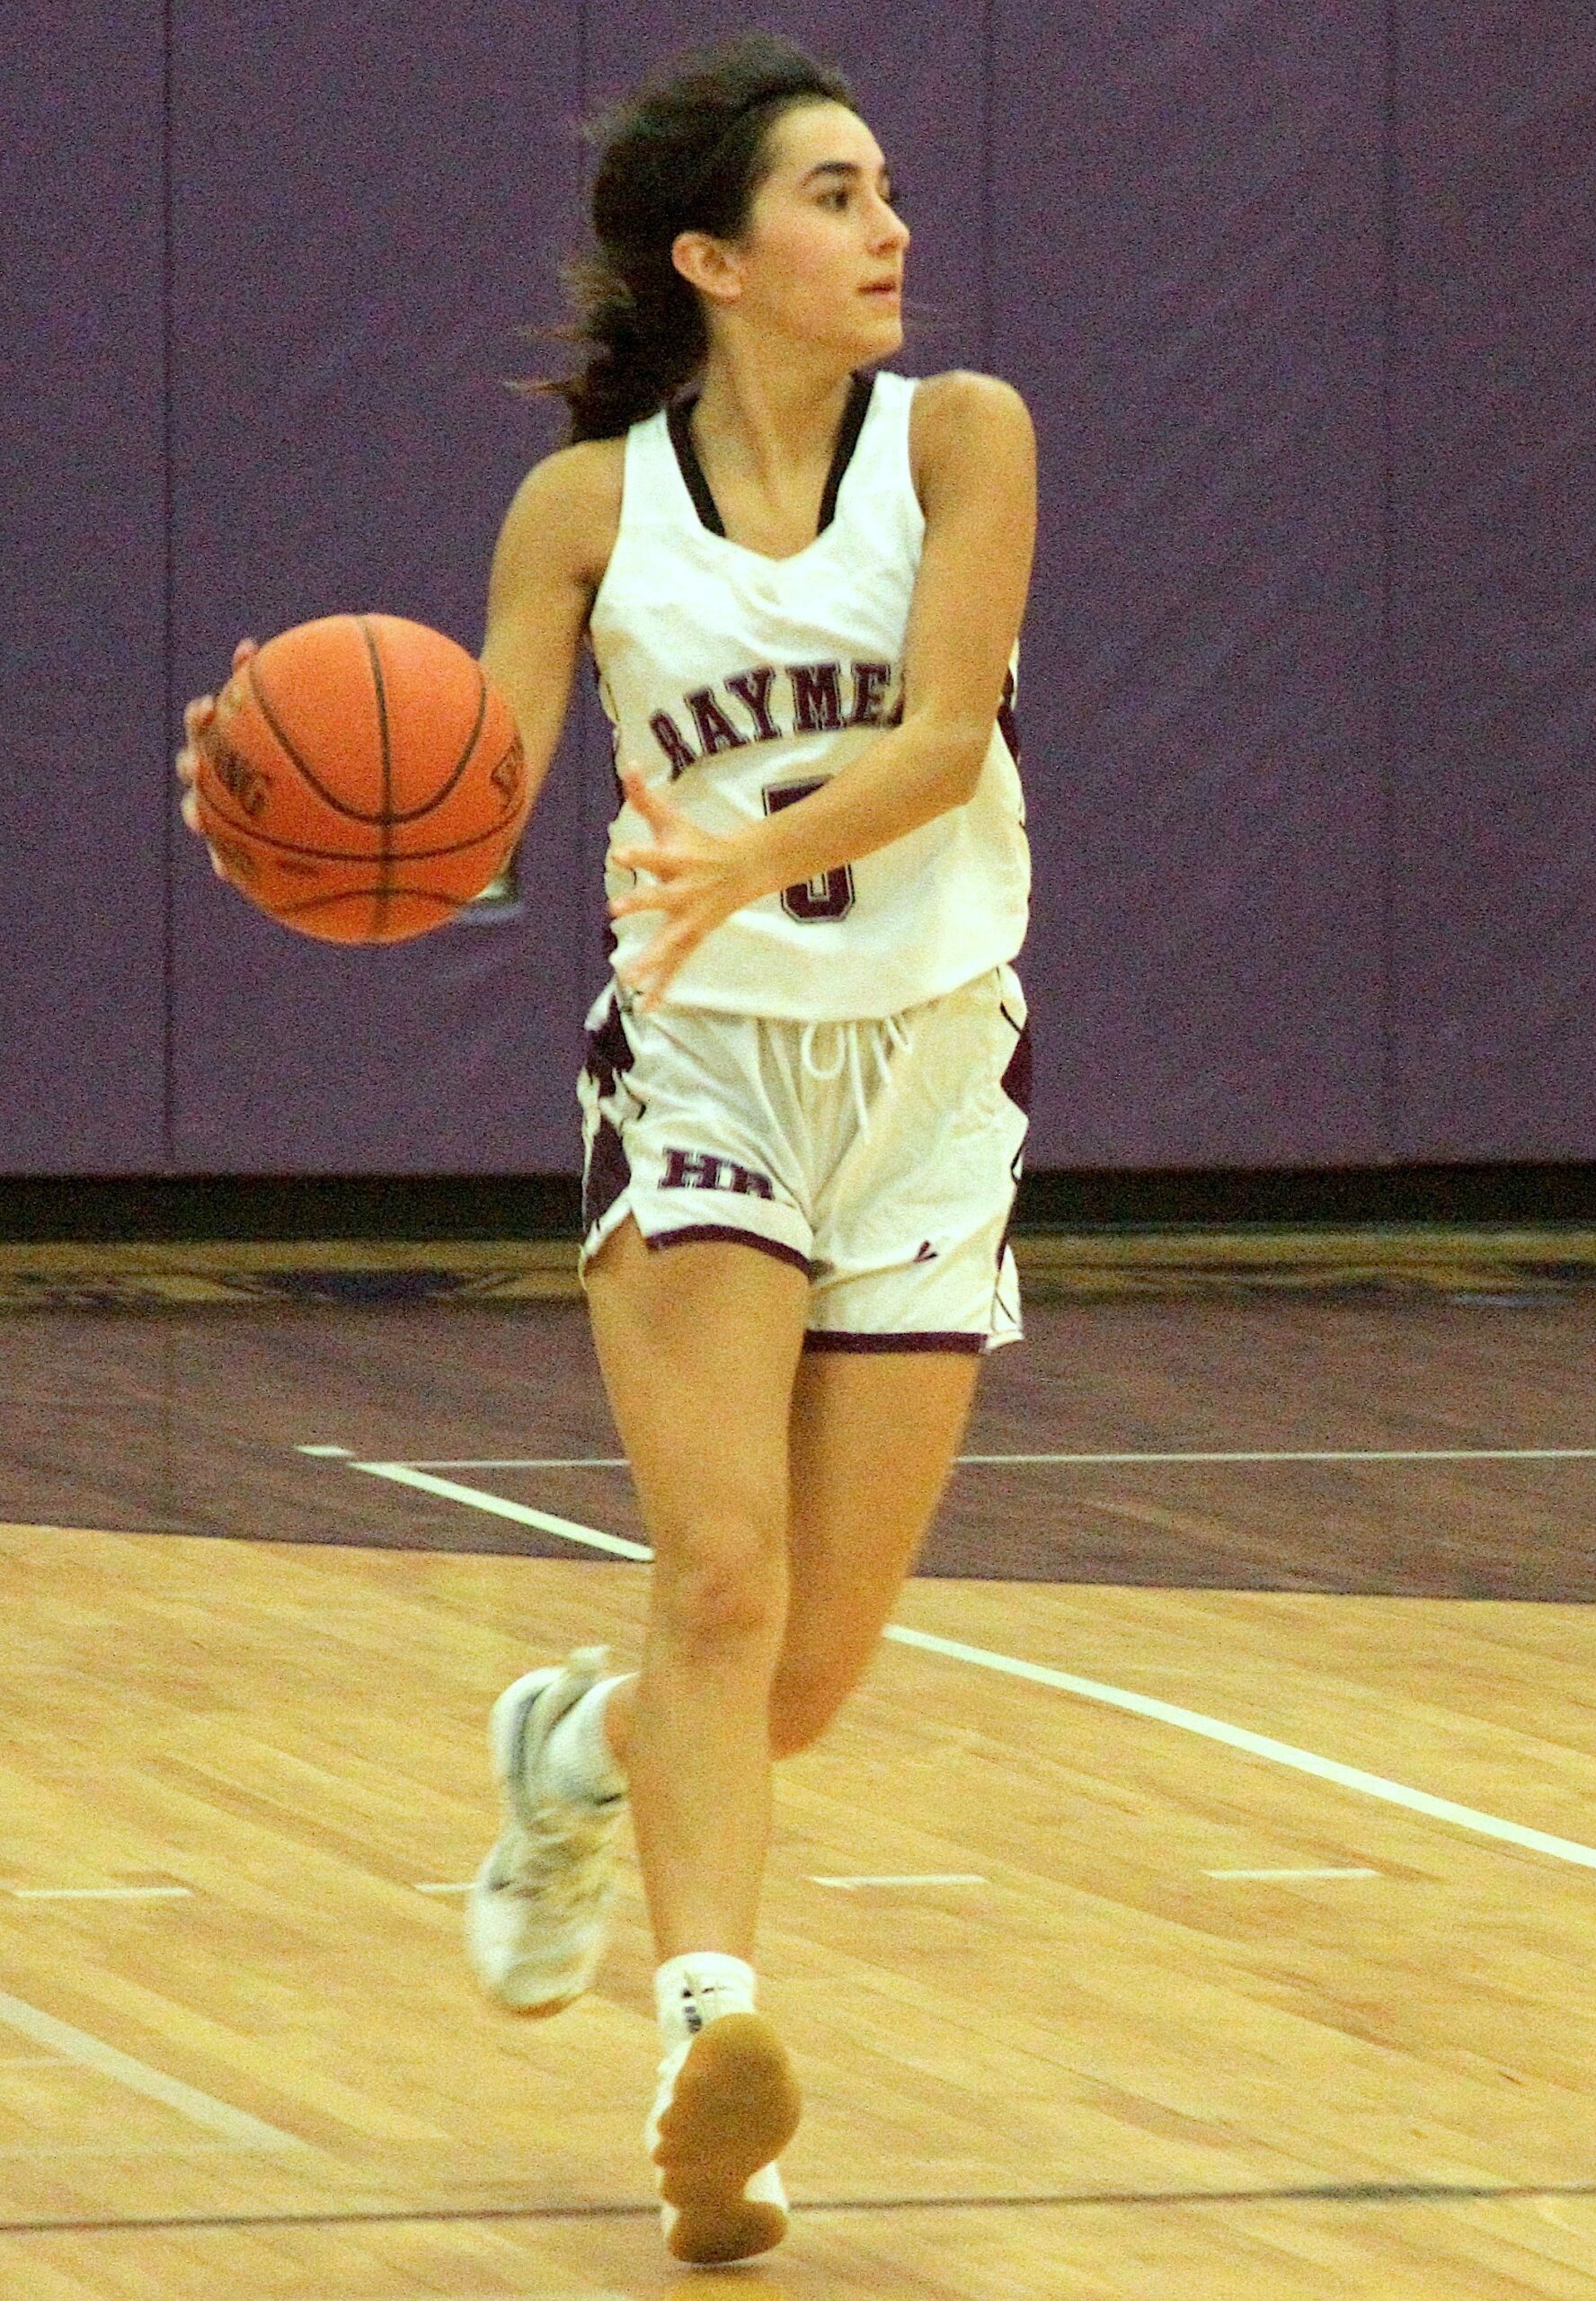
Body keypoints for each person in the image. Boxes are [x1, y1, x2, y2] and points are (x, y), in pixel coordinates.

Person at [177, 31, 1034, 2266]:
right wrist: (281, 810)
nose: (888, 231)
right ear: (713, 258)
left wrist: (753, 854)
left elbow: (945, 740)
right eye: (836, 198)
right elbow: (467, 812)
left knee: (805, 1679)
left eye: (884, 191)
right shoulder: (585, 509)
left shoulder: (962, 441)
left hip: (936, 1081)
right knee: (725, 1583)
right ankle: (715, 2054)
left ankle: (566, 1748)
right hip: (708, 1074)